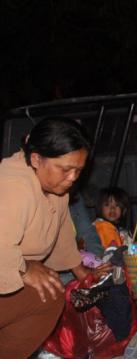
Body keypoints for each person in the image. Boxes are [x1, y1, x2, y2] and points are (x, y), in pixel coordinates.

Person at [0, 117, 110, 358]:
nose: (72, 178)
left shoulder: (54, 186)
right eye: (66, 169)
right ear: (36, 159)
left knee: (50, 292)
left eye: (78, 170)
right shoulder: (13, 185)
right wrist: (24, 269)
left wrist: (79, 270)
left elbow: (59, 231)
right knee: (45, 295)